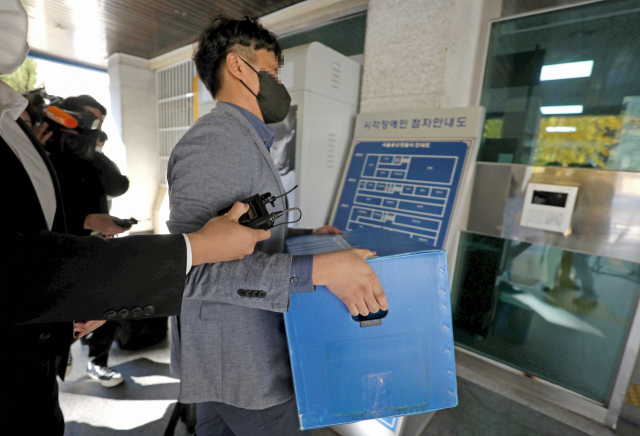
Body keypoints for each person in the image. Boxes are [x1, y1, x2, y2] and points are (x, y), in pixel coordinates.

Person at [0, 1, 270, 433]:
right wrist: (194, 248)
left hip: (45, 342)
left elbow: (94, 198)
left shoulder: (23, 131)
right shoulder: (208, 141)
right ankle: (97, 361)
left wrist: (93, 156)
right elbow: (19, 265)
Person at [167, 16, 387, 436]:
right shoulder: (216, 140)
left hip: (231, 355)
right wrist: (319, 270)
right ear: (237, 66)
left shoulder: (244, 137)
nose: (277, 85)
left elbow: (239, 236)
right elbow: (189, 270)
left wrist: (302, 237)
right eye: (271, 72)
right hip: (239, 362)